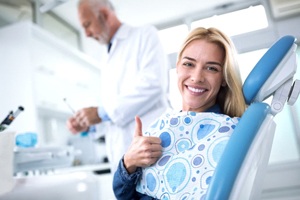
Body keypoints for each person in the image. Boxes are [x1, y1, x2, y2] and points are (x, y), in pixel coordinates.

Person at [112, 27, 247, 199]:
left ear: (223, 78)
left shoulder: (227, 133)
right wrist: (129, 162)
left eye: (211, 68)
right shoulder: (165, 125)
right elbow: (122, 194)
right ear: (177, 68)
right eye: (189, 64)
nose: (197, 77)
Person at [66, 0, 170, 173]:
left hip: (151, 153)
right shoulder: (106, 57)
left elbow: (154, 85)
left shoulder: (144, 35)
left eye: (87, 25)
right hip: (123, 161)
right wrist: (88, 122)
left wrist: (99, 113)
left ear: (105, 15)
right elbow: (114, 112)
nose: (86, 34)